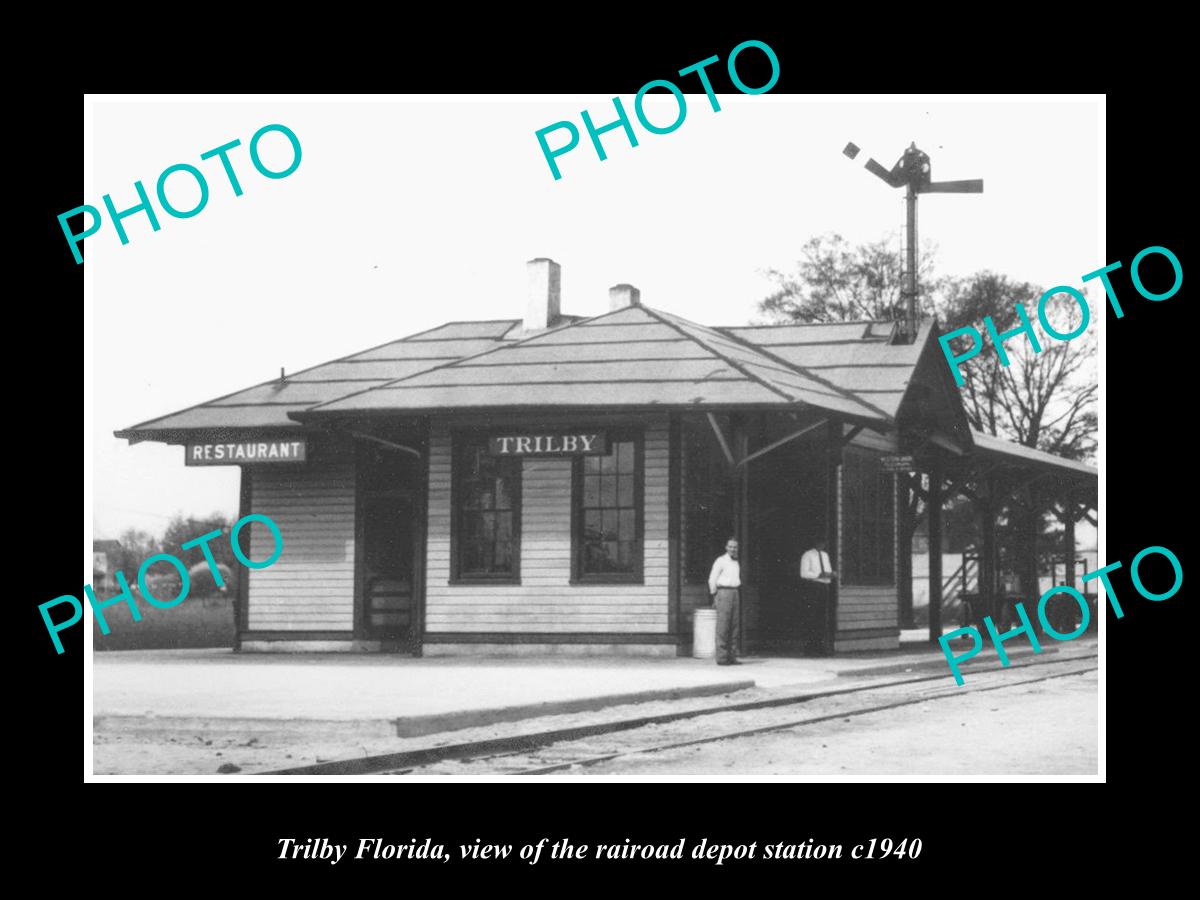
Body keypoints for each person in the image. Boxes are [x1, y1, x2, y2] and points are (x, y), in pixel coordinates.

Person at [708, 537, 742, 665]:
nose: (733, 549)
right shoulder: (720, 561)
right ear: (726, 547)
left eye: (735, 547)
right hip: (723, 592)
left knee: (734, 625)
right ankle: (722, 658)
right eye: (731, 546)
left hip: (734, 592)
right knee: (723, 625)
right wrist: (714, 595)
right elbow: (712, 579)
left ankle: (732, 656)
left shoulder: (736, 562)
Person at [799, 538, 835, 655]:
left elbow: (827, 570)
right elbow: (804, 573)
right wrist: (818, 575)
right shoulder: (807, 555)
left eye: (824, 543)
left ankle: (821, 646)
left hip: (824, 586)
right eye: (820, 542)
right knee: (812, 616)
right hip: (812, 586)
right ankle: (810, 647)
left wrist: (831, 574)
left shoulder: (825, 555)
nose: (822, 544)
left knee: (822, 617)